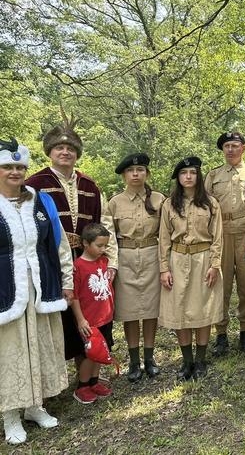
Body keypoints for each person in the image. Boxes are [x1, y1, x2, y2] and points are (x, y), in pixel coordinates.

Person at [25, 123, 118, 370]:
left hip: (88, 262)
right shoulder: (34, 184)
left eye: (70, 148)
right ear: (50, 152)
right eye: (59, 148)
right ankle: (53, 375)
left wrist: (112, 263)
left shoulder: (90, 186)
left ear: (77, 153)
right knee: (59, 316)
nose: (65, 152)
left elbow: (105, 224)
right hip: (51, 261)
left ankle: (86, 372)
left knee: (87, 314)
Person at [0, 138, 71, 445]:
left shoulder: (41, 201)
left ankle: (34, 405)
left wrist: (67, 279)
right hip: (5, 289)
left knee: (38, 343)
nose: (14, 172)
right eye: (7, 167)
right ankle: (10, 414)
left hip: (41, 286)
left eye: (19, 167)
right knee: (10, 350)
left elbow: (57, 243)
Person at [159, 157, 223, 381]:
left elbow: (217, 237)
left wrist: (215, 265)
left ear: (198, 176)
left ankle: (201, 360)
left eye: (192, 173)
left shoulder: (210, 204)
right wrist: (164, 269)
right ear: (178, 177)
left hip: (203, 258)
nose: (188, 176)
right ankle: (187, 361)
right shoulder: (169, 204)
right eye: (184, 173)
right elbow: (164, 239)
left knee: (203, 309)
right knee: (180, 309)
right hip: (177, 258)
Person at [204, 132, 245, 356]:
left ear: (244, 148)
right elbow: (205, 209)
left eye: (235, 145)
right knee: (221, 285)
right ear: (223, 150)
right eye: (227, 146)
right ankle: (220, 334)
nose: (230, 150)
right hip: (220, 234)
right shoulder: (213, 175)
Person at [107, 153, 165, 382]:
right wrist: (112, 264)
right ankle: (133, 361)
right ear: (124, 175)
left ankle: (149, 358)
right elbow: (109, 236)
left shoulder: (160, 199)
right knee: (130, 311)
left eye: (140, 170)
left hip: (152, 254)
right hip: (125, 257)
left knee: (150, 310)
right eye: (130, 171)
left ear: (147, 173)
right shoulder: (114, 202)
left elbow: (166, 233)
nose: (135, 174)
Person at [71, 224, 115, 404]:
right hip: (89, 322)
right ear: (85, 244)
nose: (103, 249)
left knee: (101, 353)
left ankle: (94, 382)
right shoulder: (78, 267)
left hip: (105, 317)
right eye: (99, 245)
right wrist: (81, 320)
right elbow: (73, 297)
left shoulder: (103, 261)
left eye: (105, 246)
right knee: (90, 355)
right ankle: (82, 387)